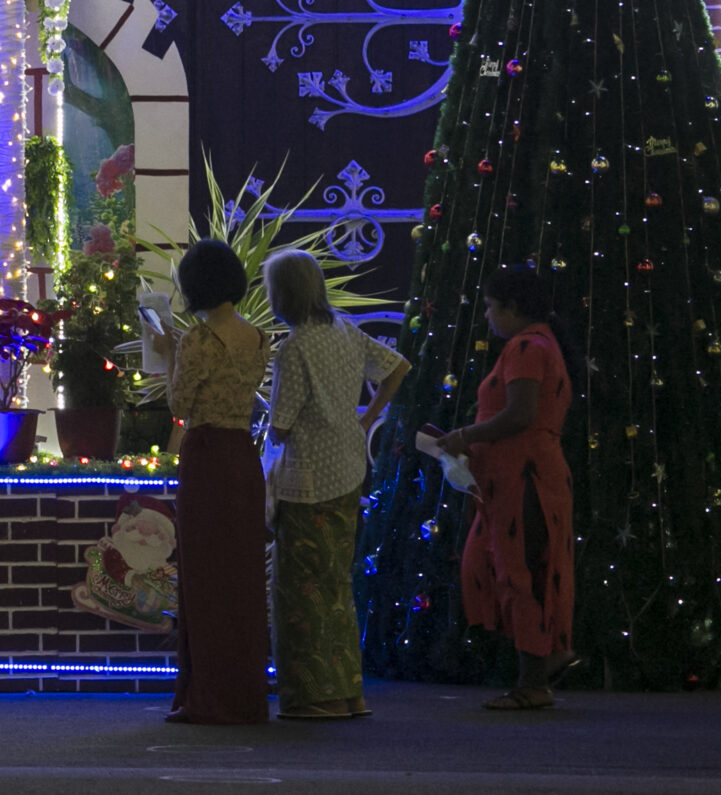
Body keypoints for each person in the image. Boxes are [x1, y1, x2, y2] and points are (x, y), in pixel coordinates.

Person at [263, 247, 409, 721]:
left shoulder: (294, 346)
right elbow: (397, 368)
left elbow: (282, 424)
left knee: (300, 590)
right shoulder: (345, 328)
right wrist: (364, 420)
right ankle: (350, 694)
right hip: (347, 469)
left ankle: (313, 696)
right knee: (336, 587)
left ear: (281, 294)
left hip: (307, 480)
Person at [426, 263, 580, 711]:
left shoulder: (527, 347)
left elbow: (521, 414)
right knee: (512, 565)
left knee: (520, 571)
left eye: (492, 307)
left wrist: (466, 436)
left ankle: (534, 680)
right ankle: (546, 658)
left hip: (525, 476)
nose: (488, 316)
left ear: (513, 308)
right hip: (519, 474)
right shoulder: (538, 343)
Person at [163, 237, 270, 726]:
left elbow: (179, 405)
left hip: (205, 456)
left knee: (205, 577)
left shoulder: (198, 341)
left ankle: (207, 695)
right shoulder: (258, 337)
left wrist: (166, 352)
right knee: (241, 579)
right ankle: (244, 693)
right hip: (242, 456)